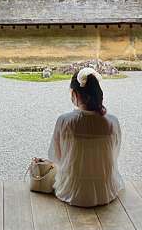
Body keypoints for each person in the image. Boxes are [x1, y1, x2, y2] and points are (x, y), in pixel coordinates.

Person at [48, 67, 124, 207]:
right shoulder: (112, 121)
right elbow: (114, 154)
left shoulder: (64, 121)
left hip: (71, 191)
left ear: (75, 94)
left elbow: (55, 156)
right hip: (105, 192)